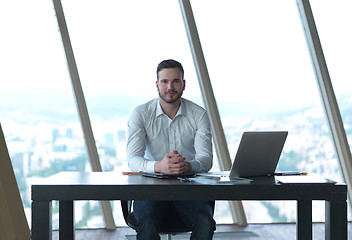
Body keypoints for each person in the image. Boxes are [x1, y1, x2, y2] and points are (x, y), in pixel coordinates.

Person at [126, 59, 216, 240]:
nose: (170, 86)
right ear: (157, 84)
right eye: (165, 81)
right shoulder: (141, 113)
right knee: (147, 222)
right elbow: (133, 159)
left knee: (205, 222)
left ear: (183, 84)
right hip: (150, 188)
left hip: (188, 186)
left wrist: (187, 166)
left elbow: (206, 159)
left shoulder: (199, 114)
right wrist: (159, 166)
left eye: (176, 81)